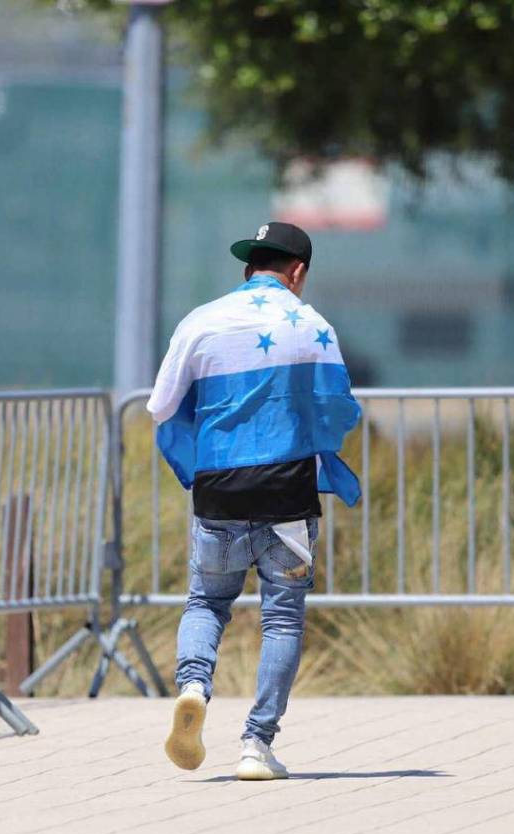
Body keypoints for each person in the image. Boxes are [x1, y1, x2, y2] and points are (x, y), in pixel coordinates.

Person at [147, 221, 361, 781]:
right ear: (299, 273)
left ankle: (194, 685)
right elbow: (340, 409)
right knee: (283, 619)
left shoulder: (202, 321)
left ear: (249, 268)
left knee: (206, 604)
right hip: (288, 492)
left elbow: (161, 405)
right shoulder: (313, 326)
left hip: (219, 490)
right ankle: (256, 745)